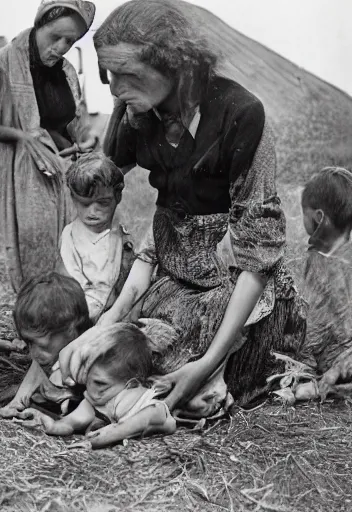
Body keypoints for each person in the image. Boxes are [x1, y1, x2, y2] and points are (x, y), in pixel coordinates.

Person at [72, 0, 306, 417]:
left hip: (238, 287)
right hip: (177, 276)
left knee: (181, 381)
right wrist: (109, 318)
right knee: (106, 359)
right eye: (108, 74)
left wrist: (206, 364)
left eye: (126, 73)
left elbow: (255, 261)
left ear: (174, 63)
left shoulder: (241, 114)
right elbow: (129, 196)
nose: (114, 88)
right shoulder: (142, 112)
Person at [0, 0, 99, 291]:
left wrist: (86, 142)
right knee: (36, 243)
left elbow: (75, 123)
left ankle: (70, 315)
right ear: (40, 23)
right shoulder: (1, 65)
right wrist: (23, 137)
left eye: (70, 41)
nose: (60, 47)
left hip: (69, 171)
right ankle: (38, 316)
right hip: (27, 172)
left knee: (74, 246)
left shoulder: (67, 72)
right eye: (55, 36)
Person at [16, 323, 177, 449]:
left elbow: (158, 415)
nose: (90, 389)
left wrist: (110, 434)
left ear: (131, 384)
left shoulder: (133, 398)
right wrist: (49, 424)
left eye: (100, 383)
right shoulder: (97, 398)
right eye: (88, 380)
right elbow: (69, 423)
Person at [272, 167, 352, 403]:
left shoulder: (321, 261)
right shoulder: (341, 253)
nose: (301, 219)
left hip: (333, 354)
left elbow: (313, 324)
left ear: (318, 217)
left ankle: (308, 381)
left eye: (303, 214)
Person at [0, 273, 93, 419]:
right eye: (29, 343)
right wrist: (20, 400)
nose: (33, 353)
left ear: (71, 331)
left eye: (42, 346)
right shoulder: (53, 349)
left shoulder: (96, 353)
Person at [57, 152, 135, 321]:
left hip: (116, 307)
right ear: (73, 197)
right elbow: (70, 280)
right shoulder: (70, 234)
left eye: (103, 203)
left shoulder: (121, 233)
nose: (93, 212)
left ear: (117, 197)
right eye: (85, 204)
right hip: (81, 306)